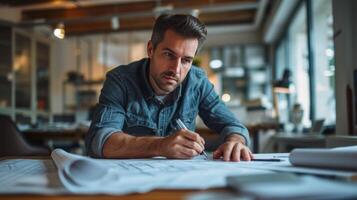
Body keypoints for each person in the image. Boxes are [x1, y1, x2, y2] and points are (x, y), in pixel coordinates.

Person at [85, 14, 253, 162]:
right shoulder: (121, 80)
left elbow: (233, 126)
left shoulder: (197, 82)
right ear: (151, 50)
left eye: (186, 60)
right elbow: (100, 140)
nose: (176, 69)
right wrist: (160, 145)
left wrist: (235, 142)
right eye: (168, 55)